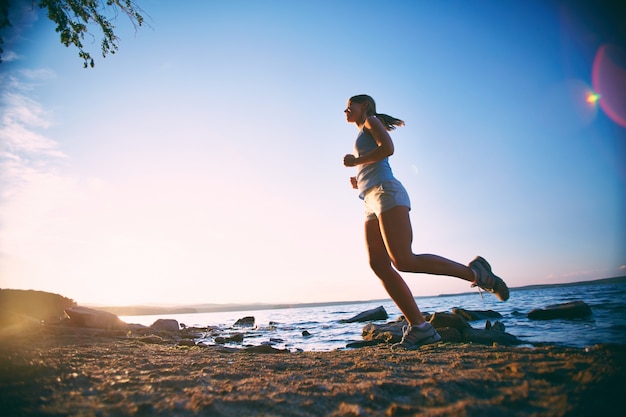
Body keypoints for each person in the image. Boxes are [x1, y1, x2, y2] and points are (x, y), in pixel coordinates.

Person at [342, 94, 509, 350]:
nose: (345, 110)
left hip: (386, 193)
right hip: (370, 200)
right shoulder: (363, 132)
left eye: (349, 105)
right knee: (379, 264)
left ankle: (478, 274)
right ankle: (420, 328)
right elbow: (376, 159)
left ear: (364, 106)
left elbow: (388, 149)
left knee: (404, 260)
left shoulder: (371, 121)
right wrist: (359, 178)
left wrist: (356, 162)